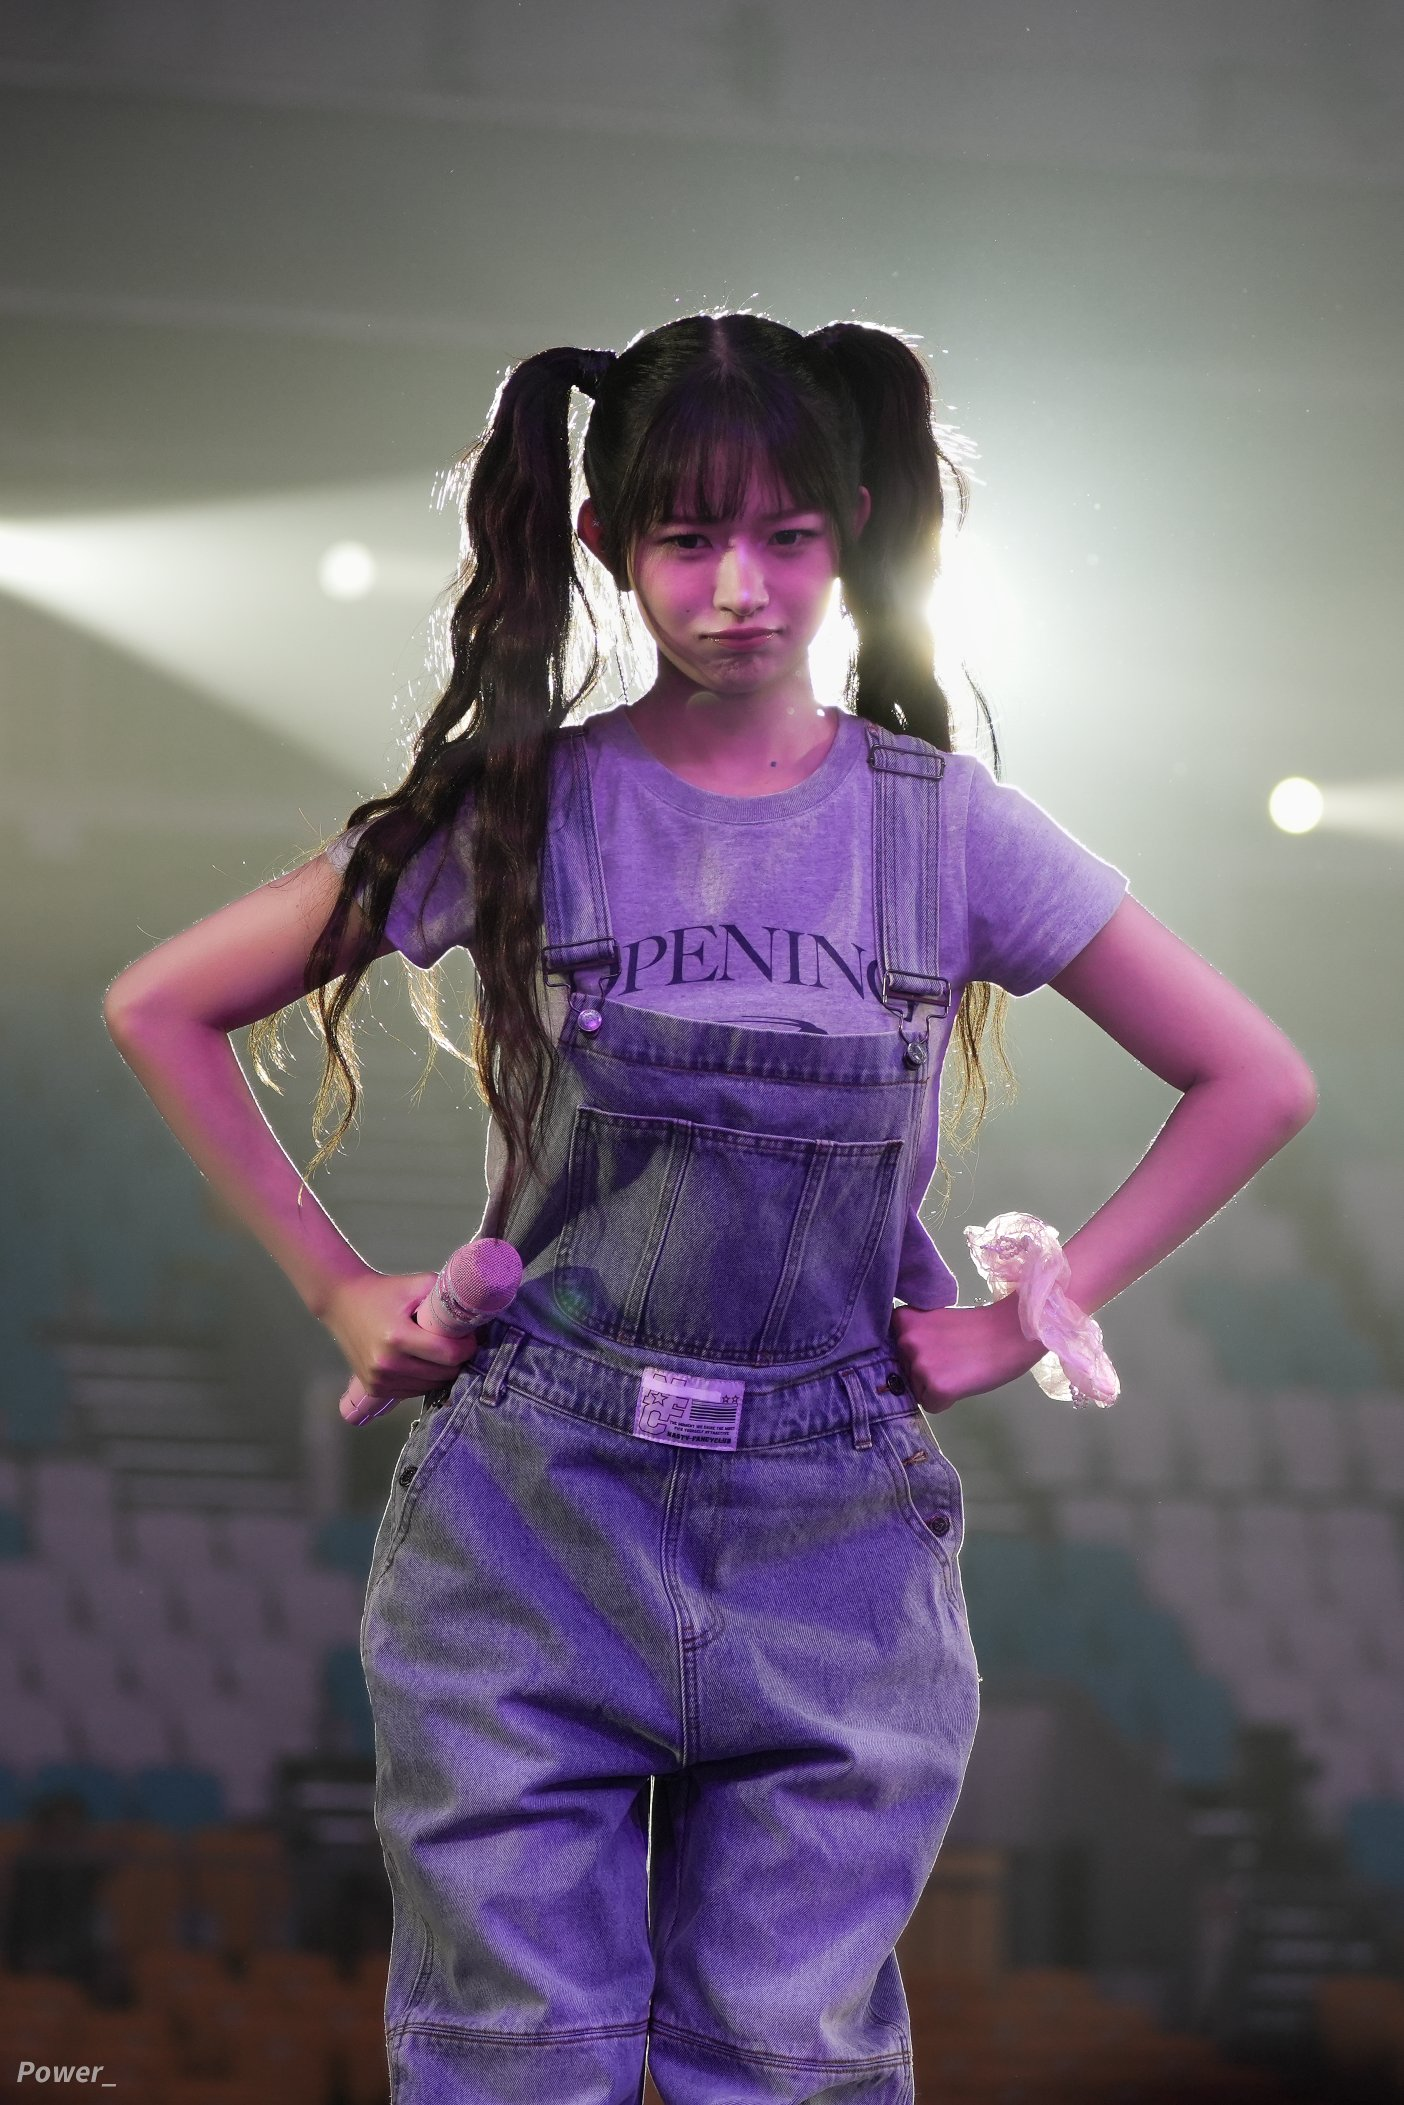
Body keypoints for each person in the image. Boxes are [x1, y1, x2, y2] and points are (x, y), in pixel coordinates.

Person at [104, 311, 1317, 2105]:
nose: (740, 587)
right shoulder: (527, 808)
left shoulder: (951, 831)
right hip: (532, 1521)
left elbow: (1257, 1079)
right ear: (606, 543)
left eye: (787, 535)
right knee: (514, 2065)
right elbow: (162, 1003)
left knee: (791, 2067)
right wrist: (338, 1287)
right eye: (687, 538)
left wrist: (1027, 1321)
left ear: (854, 531)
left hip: (836, 1540)